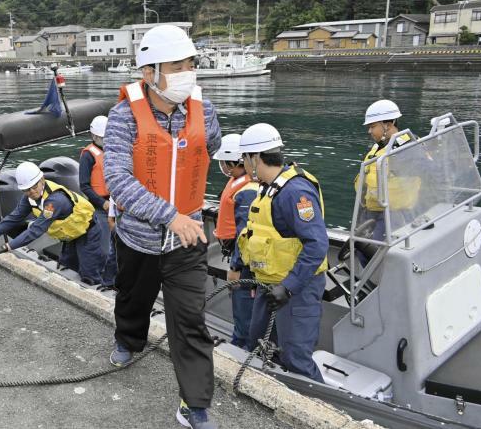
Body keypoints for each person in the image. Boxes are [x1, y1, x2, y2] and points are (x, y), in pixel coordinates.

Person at [104, 24, 221, 429]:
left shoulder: (203, 112)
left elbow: (211, 147)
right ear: (149, 72)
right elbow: (117, 179)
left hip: (187, 240)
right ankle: (127, 340)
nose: (188, 71)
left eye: (191, 63)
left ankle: (195, 404)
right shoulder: (123, 117)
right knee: (133, 301)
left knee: (190, 320)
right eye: (178, 65)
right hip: (140, 239)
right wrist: (167, 214)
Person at [237, 123, 328, 383]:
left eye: (244, 159)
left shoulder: (295, 193)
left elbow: (317, 244)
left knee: (296, 357)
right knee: (261, 341)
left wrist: (288, 287)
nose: (243, 165)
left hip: (296, 288)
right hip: (270, 285)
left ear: (255, 159)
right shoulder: (269, 188)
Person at [0, 161, 104, 286]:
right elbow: (14, 217)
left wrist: (5, 247)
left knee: (89, 273)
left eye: (34, 187)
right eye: (26, 189)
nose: (31, 192)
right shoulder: (29, 197)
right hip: (69, 234)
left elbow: (36, 230)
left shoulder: (54, 201)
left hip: (87, 232)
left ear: (42, 180)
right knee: (66, 266)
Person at [212, 133, 259, 348]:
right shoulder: (239, 182)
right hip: (237, 253)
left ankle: (243, 347)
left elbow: (245, 234)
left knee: (244, 308)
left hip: (243, 262)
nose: (222, 167)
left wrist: (235, 267)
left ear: (232, 163)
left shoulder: (246, 191)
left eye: (223, 162)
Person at [357, 99, 418, 246]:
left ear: (388, 125)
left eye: (372, 126)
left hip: (393, 215)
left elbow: (430, 172)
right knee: (361, 250)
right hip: (371, 212)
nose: (369, 131)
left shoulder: (406, 149)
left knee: (377, 254)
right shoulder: (379, 147)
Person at [78, 115, 116, 287]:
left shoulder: (113, 150)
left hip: (116, 203)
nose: (106, 141)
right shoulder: (88, 156)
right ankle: (98, 279)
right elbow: (84, 186)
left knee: (116, 248)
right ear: (94, 136)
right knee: (104, 249)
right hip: (100, 207)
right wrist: (102, 203)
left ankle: (111, 280)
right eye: (102, 138)